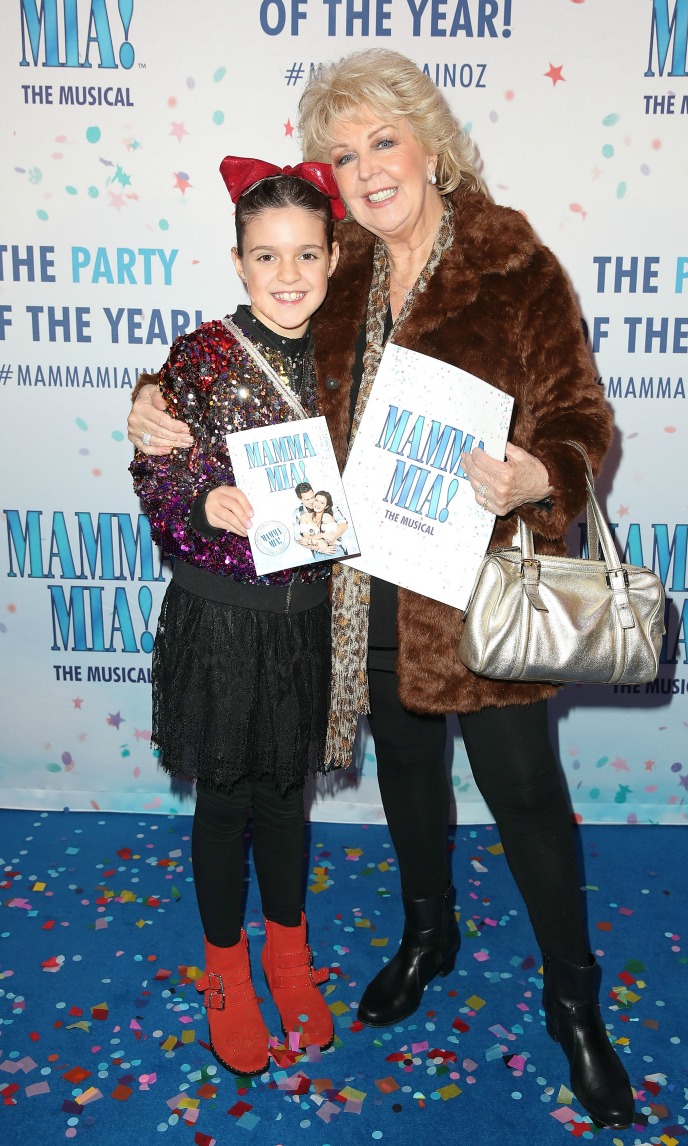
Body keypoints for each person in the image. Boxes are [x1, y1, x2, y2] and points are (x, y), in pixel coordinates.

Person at [127, 50, 634, 1128]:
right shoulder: (339, 265)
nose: (363, 171)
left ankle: (573, 1001)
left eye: (381, 142)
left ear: (429, 142)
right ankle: (426, 930)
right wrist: (152, 399)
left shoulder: (509, 259)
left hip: (478, 593)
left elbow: (582, 416)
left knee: (526, 796)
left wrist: (542, 473)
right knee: (407, 773)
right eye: (342, 154)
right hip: (362, 595)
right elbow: (245, 344)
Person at [129, 155, 345, 1077]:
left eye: (305, 254)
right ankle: (225, 971)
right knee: (225, 802)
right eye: (267, 257)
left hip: (306, 619)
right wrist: (196, 500)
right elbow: (158, 460)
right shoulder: (203, 351)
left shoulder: (352, 358)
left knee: (284, 799)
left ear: (336, 257)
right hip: (219, 619)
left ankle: (287, 957)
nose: (287, 275)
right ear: (238, 261)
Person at [297, 491, 348, 558]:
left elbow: (330, 541)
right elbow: (304, 540)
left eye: (322, 503)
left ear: (326, 506)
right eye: (316, 500)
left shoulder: (327, 517)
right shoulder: (304, 517)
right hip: (318, 551)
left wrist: (311, 540)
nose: (317, 504)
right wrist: (322, 536)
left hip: (333, 550)